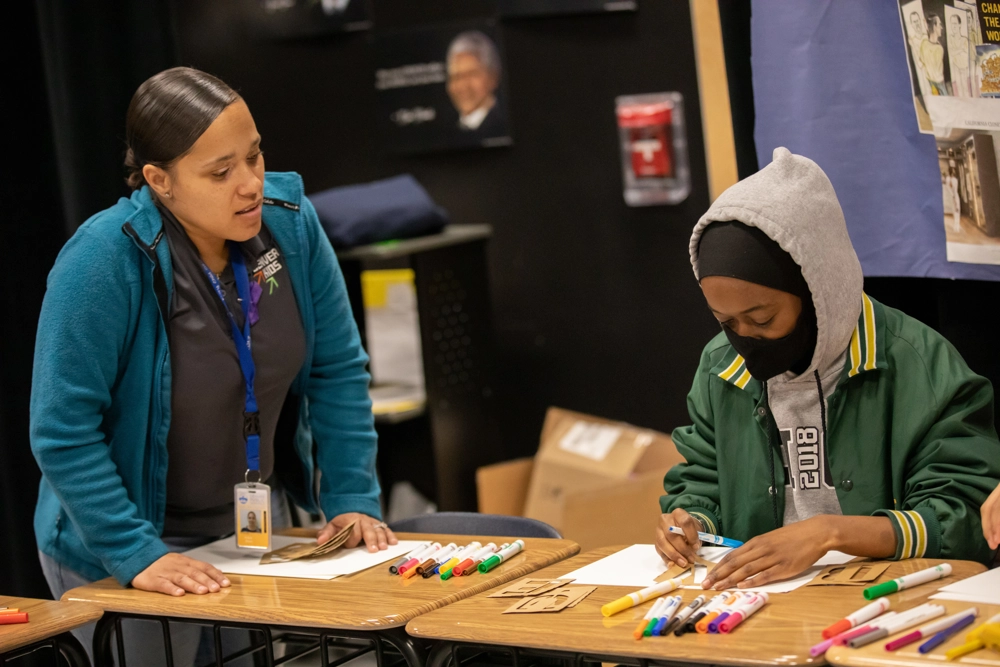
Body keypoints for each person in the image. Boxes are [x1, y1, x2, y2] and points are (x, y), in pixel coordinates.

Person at [31, 67, 396, 658]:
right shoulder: (102, 259)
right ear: (160, 181)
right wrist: (134, 551)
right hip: (124, 540)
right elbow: (62, 430)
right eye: (221, 172)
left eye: (254, 156)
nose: (251, 184)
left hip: (248, 531)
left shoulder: (292, 228)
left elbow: (337, 371)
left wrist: (351, 495)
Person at [656, 148, 1000, 590]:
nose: (743, 340)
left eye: (761, 320)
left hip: (886, 598)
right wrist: (690, 524)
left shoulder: (918, 364)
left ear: (819, 290)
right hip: (756, 601)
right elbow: (701, 477)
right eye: (726, 322)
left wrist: (830, 532)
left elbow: (966, 519)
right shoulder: (720, 367)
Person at [446, 31, 504, 135]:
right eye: (456, 77)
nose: (463, 86)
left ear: (493, 77)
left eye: (471, 74)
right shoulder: (447, 132)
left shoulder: (501, 124)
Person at [920, 13, 949, 95]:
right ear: (934, 26)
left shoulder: (924, 43)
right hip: (938, 83)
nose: (941, 27)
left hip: (929, 83)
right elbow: (938, 73)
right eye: (939, 24)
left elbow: (921, 62)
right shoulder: (939, 49)